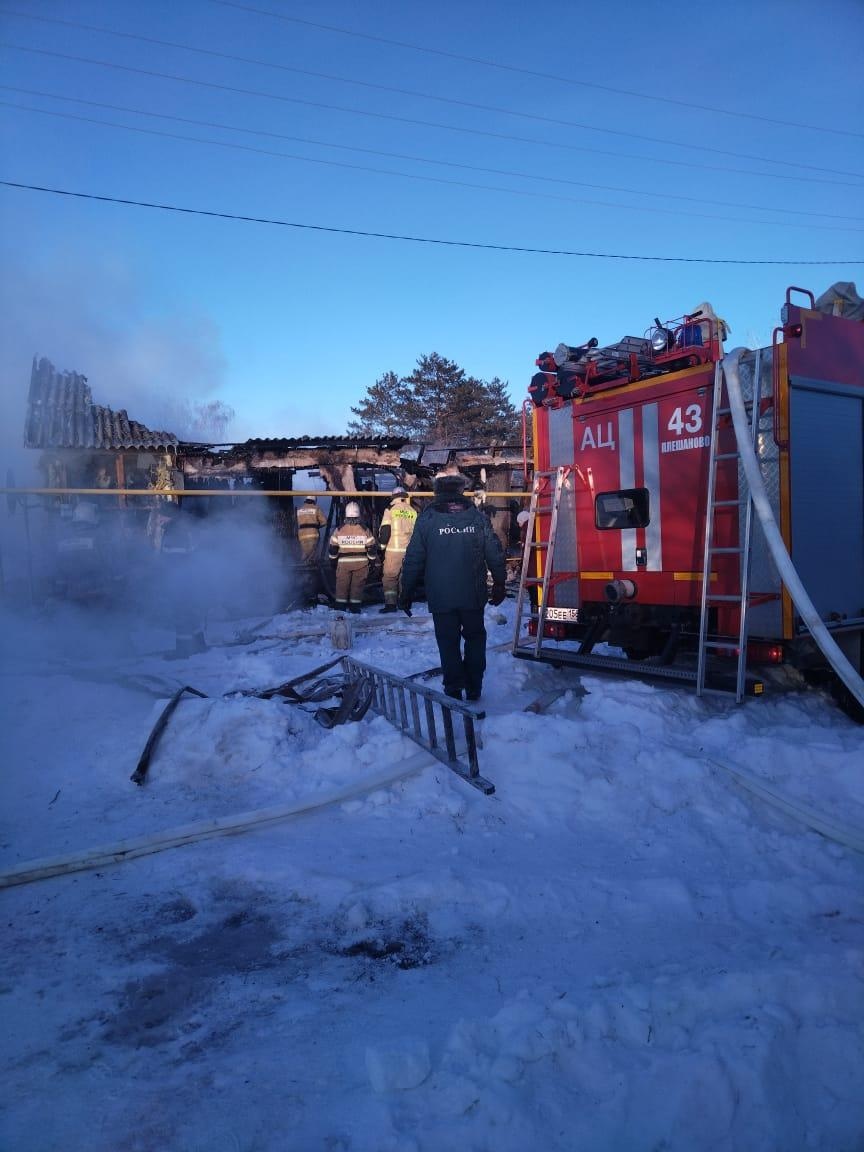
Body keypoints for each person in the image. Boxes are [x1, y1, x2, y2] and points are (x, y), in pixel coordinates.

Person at [398, 471, 506, 702]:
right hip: (472, 595)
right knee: (475, 638)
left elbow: (414, 558)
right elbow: (494, 553)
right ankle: (474, 687)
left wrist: (405, 591)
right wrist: (499, 582)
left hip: (441, 596)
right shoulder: (477, 518)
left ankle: (454, 687)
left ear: (437, 493)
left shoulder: (427, 519)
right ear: (461, 492)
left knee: (448, 642)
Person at [327, 501, 378, 614]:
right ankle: (355, 608)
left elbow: (333, 548)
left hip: (343, 564)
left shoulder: (339, 529)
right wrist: (372, 562)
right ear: (359, 515)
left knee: (341, 586)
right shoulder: (365, 530)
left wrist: (333, 561)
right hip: (361, 564)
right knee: (357, 587)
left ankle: (340, 608)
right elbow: (372, 548)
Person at [377, 486, 417, 613]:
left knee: (390, 577)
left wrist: (381, 548)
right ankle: (403, 602)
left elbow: (385, 530)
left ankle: (390, 604)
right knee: (404, 577)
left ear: (393, 497)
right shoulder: (412, 510)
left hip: (394, 550)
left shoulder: (390, 509)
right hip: (409, 551)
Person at [295, 495, 327, 563]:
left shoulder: (299, 510)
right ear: (314, 501)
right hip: (313, 534)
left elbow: (297, 522)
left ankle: (301, 567)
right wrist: (317, 526)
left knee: (305, 551)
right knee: (313, 553)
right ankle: (311, 570)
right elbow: (324, 522)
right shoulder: (316, 508)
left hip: (301, 535)